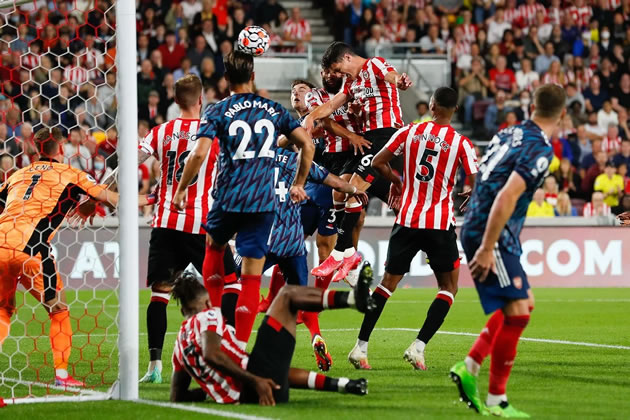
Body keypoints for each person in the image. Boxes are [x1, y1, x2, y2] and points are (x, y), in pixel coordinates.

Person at [173, 51, 315, 348]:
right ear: (253, 76)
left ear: (226, 80)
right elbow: (307, 144)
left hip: (228, 198)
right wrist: (299, 183)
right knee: (251, 274)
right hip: (262, 203)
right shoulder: (274, 110)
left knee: (213, 247)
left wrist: (182, 188)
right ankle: (238, 345)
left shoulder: (218, 110)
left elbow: (199, 153)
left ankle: (213, 321)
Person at [450, 84, 566, 417]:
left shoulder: (509, 132)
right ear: (563, 114)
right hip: (492, 231)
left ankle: (469, 366)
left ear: (531, 106)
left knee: (523, 303)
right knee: (517, 312)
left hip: (485, 225)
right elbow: (507, 196)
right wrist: (486, 247)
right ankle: (496, 401)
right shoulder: (542, 151)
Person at [0, 127, 148, 386]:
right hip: (32, 247)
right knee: (58, 310)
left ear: (34, 147)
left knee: (2, 310)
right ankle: (61, 375)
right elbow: (110, 197)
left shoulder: (18, 174)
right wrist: (150, 199)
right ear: (61, 148)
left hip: (1, 240)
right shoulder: (70, 173)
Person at [347, 87, 478, 371]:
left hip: (406, 219)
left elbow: (378, 161)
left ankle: (361, 348)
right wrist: (470, 193)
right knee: (449, 287)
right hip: (439, 224)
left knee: (386, 285)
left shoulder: (408, 132)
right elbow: (475, 178)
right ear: (454, 110)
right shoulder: (461, 143)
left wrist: (395, 180)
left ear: (431, 105)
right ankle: (418, 348)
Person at [126, 75, 240, 384]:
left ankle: (153, 367)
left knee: (160, 294)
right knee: (232, 285)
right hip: (201, 224)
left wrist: (99, 191)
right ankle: (226, 350)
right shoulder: (213, 134)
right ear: (201, 99)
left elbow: (129, 162)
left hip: (165, 222)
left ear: (175, 101)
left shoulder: (161, 131)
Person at [169, 265, 374, 405]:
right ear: (206, 303)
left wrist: (209, 390)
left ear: (182, 311)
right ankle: (354, 299)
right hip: (257, 386)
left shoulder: (179, 346)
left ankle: (344, 384)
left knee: (274, 366)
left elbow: (177, 396)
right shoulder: (208, 315)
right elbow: (211, 353)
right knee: (286, 295)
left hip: (267, 388)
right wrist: (254, 381)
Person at [303, 42, 412, 283]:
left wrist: (400, 81)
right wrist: (311, 116)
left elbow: (392, 77)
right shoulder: (354, 83)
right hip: (370, 139)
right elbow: (331, 106)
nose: (340, 76)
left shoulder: (375, 64)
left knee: (353, 190)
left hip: (386, 136)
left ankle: (341, 252)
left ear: (347, 57)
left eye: (339, 69)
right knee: (341, 191)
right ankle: (349, 253)